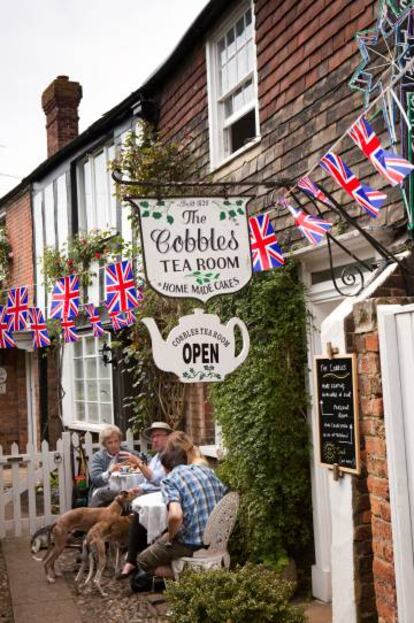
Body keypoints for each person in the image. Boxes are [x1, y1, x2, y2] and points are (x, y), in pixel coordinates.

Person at [130, 444, 227, 591]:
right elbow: (225, 496)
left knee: (143, 560)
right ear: (185, 459)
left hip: (192, 543)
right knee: (162, 539)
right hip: (218, 538)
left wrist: (171, 537)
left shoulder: (170, 480)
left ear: (165, 467)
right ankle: (190, 572)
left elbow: (175, 516)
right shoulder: (208, 471)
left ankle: (188, 578)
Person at [116, 421, 172, 578]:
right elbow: (148, 481)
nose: (154, 440)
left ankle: (134, 560)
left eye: (158, 436)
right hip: (149, 495)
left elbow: (157, 480)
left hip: (165, 498)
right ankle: (134, 556)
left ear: (169, 438)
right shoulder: (155, 457)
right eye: (153, 437)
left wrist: (139, 463)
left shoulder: (170, 456)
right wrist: (139, 488)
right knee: (126, 504)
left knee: (137, 512)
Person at [89, 425, 144, 507]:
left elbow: (145, 460)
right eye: (110, 442)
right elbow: (96, 480)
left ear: (120, 441)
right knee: (99, 494)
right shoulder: (98, 457)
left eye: (116, 441)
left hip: (128, 488)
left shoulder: (128, 453)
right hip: (106, 490)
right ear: (104, 444)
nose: (114, 445)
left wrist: (135, 463)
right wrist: (110, 471)